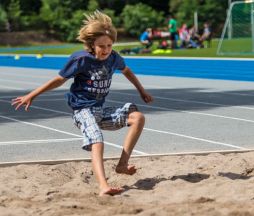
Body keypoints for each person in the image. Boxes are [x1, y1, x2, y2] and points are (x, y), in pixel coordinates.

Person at [11, 10, 153, 197]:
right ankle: (103, 186)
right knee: (97, 140)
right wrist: (32, 95)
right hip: (83, 110)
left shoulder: (114, 58)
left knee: (137, 118)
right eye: (101, 46)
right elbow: (59, 79)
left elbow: (127, 71)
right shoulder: (81, 59)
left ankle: (122, 164)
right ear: (91, 45)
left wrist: (141, 91)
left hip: (100, 111)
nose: (106, 50)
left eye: (109, 45)